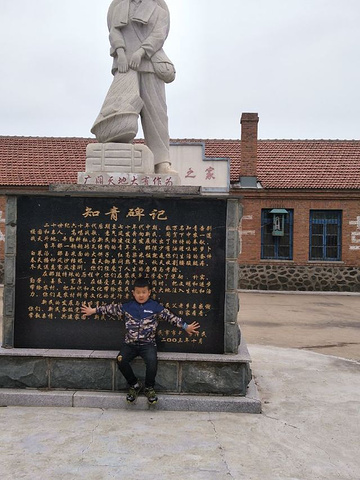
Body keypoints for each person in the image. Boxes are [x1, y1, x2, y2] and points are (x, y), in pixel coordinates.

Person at [81, 277, 200, 405]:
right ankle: (135, 385)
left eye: (143, 292)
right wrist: (93, 310)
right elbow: (111, 309)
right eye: (138, 292)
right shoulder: (128, 307)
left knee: (152, 362)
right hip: (130, 344)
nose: (141, 295)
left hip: (148, 345)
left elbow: (170, 317)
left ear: (149, 292)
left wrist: (185, 326)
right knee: (121, 360)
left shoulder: (155, 307)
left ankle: (149, 388)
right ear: (133, 293)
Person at [91, 0, 177, 174]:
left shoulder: (159, 11)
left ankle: (161, 162)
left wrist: (141, 52)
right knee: (121, 106)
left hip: (149, 64)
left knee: (157, 114)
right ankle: (117, 152)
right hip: (125, 65)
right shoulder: (121, 6)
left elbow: (159, 35)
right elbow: (114, 31)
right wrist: (121, 53)